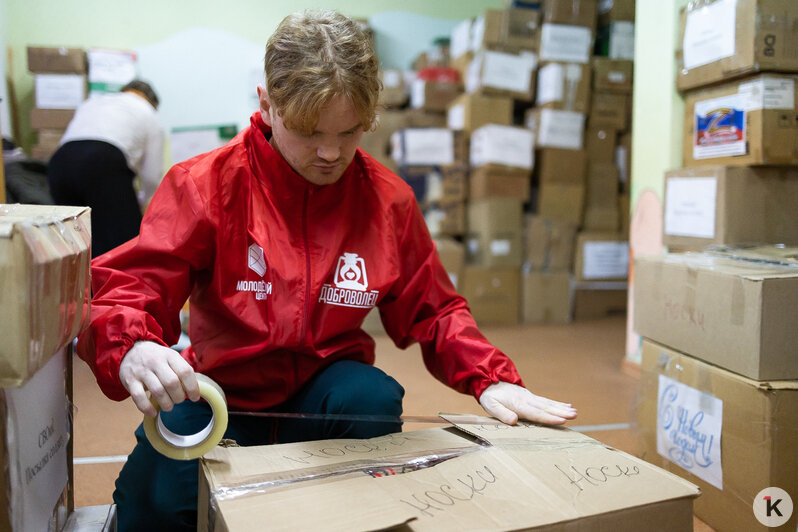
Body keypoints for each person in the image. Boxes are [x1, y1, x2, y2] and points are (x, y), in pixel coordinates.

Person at [77, 10, 577, 532]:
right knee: (150, 505)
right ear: (267, 105)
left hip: (327, 388)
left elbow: (435, 309)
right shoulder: (204, 186)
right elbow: (129, 286)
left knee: (373, 397)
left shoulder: (387, 201)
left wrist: (490, 380)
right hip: (221, 390)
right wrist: (131, 343)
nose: (330, 152)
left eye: (350, 131)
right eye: (309, 131)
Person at [47, 79, 164, 257]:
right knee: (121, 247)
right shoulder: (148, 112)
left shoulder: (93, 103)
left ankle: (77, 284)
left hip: (60, 162)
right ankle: (111, 285)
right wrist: (143, 203)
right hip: (102, 162)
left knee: (73, 240)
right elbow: (152, 176)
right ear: (152, 102)